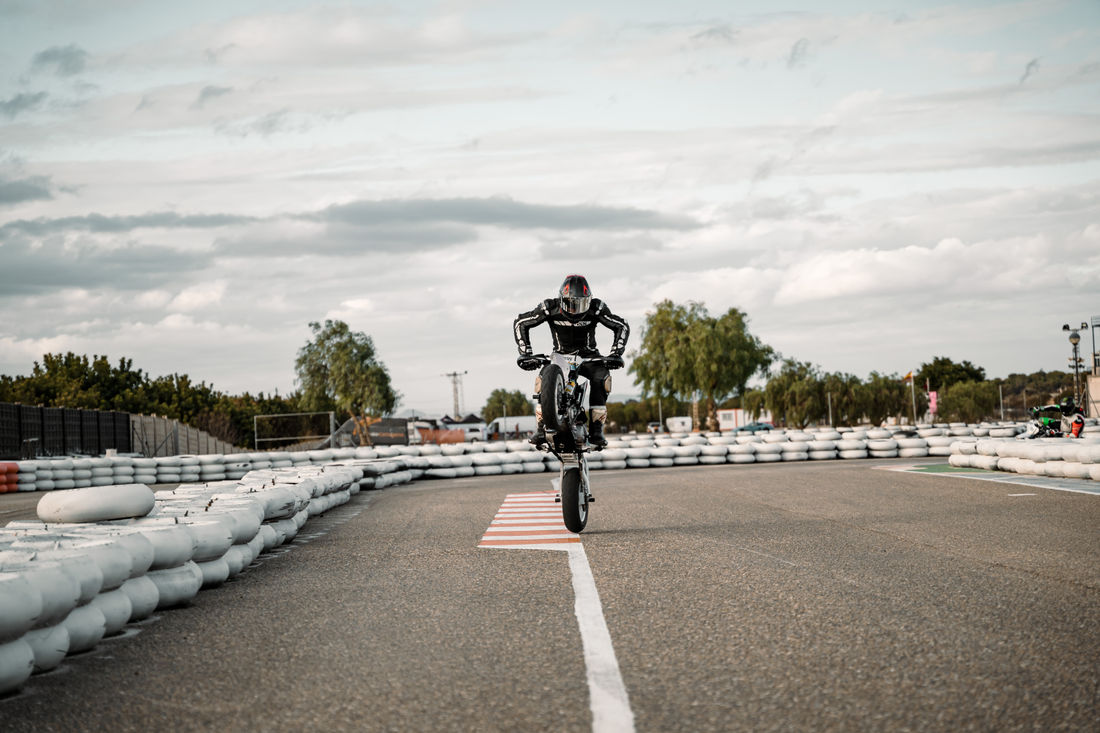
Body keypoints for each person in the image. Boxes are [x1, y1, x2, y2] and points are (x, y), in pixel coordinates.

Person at [513, 274, 629, 448]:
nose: (576, 310)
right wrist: (526, 352)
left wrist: (615, 353)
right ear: (561, 300)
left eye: (581, 304)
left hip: (589, 356)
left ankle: (597, 430)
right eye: (571, 304)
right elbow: (521, 322)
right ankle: (541, 428)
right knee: (544, 377)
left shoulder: (597, 308)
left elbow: (622, 325)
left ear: (589, 300)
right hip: (560, 356)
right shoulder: (548, 307)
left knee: (602, 378)